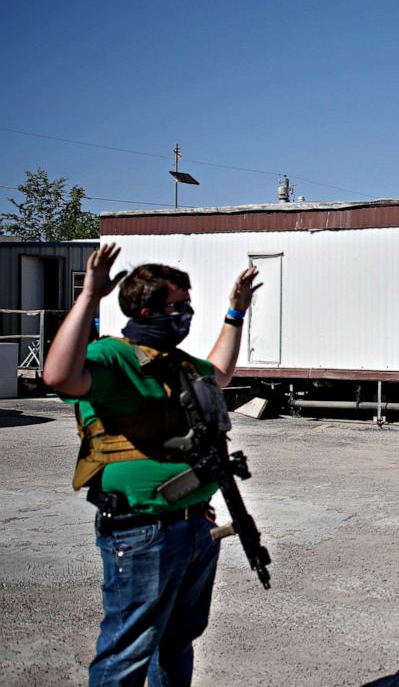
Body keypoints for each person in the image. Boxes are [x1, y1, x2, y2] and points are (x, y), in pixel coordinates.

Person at [42, 243, 260, 685]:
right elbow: (59, 375)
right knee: (126, 651)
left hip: (195, 524)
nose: (188, 314)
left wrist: (235, 313)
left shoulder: (176, 363)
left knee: (177, 641)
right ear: (147, 313)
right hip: (142, 529)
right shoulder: (113, 357)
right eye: (179, 306)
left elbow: (218, 373)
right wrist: (89, 297)